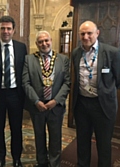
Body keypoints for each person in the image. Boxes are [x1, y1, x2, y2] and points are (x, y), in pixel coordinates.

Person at [71, 20, 120, 167]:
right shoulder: (76, 53)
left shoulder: (112, 53)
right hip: (82, 104)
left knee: (103, 143)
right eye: (82, 33)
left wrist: (107, 92)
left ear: (97, 33)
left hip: (102, 106)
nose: (86, 36)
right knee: (82, 140)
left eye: (89, 33)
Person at [22, 31, 70, 167]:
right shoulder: (29, 59)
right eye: (40, 42)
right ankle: (41, 162)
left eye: (46, 40)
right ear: (36, 44)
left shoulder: (62, 59)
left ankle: (55, 163)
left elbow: (67, 83)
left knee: (55, 137)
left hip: (56, 106)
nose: (44, 44)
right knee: (39, 136)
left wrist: (55, 101)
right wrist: (36, 101)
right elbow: (25, 83)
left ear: (51, 41)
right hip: (37, 106)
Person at [0, 16, 27, 167]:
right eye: (3, 28)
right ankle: (0, 158)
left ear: (14, 30)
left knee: (16, 128)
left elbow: (24, 71)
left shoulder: (21, 48)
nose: (6, 31)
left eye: (9, 28)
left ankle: (17, 158)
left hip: (16, 94)